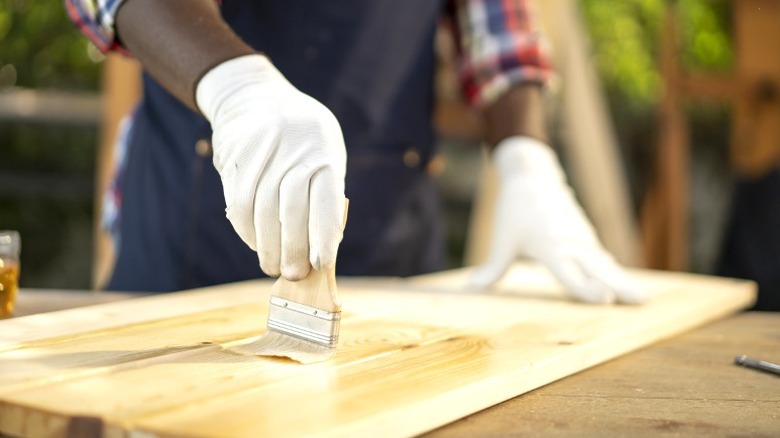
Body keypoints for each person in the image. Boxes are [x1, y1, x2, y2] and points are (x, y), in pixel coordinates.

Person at [65, 0, 646, 305]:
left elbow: (501, 31)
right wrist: (237, 86)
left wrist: (526, 161)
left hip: (394, 246)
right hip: (183, 242)